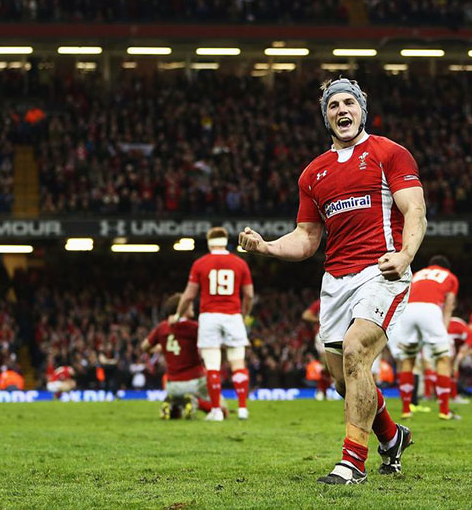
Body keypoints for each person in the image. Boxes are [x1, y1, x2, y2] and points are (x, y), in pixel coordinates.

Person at [238, 78, 426, 484]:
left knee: (358, 351)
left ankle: (351, 462)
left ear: (362, 109)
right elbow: (307, 238)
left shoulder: (389, 153)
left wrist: (405, 255)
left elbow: (415, 211)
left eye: (349, 103)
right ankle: (392, 436)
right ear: (326, 116)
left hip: (382, 271)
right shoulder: (313, 173)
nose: (342, 110)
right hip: (336, 280)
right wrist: (266, 247)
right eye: (333, 106)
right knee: (344, 381)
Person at [174, 226, 254, 421]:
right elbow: (249, 295)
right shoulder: (240, 263)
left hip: (209, 316)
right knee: (238, 363)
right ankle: (242, 408)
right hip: (233, 315)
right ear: (226, 240)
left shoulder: (200, 264)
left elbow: (189, 295)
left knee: (212, 366)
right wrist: (244, 315)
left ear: (209, 242)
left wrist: (178, 314)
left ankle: (216, 410)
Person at [393, 255, 460, 420]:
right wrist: (443, 330)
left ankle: (406, 409)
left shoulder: (419, 274)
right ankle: (444, 411)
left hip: (408, 310)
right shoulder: (450, 277)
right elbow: (449, 306)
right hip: (431, 309)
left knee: (408, 358)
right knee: (442, 358)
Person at [142, 293, 225, 420]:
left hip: (171, 385)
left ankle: (173, 404)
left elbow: (144, 347)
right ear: (182, 307)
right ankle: (195, 401)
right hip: (195, 382)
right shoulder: (193, 327)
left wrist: (160, 349)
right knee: (221, 410)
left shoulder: (162, 328)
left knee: (178, 412)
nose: (192, 306)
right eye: (190, 304)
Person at [302, 298, 332, 400]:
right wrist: (319, 320)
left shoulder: (342, 299)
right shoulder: (322, 302)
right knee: (326, 363)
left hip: (336, 335)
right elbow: (306, 315)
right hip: (322, 335)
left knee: (331, 367)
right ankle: (320, 390)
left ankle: (323, 391)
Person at [447, 315, 472, 404]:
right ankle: (452, 396)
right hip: (446, 336)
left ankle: (449, 396)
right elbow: (463, 350)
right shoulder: (470, 335)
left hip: (445, 334)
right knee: (451, 367)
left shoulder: (461, 327)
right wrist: (456, 362)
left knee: (450, 368)